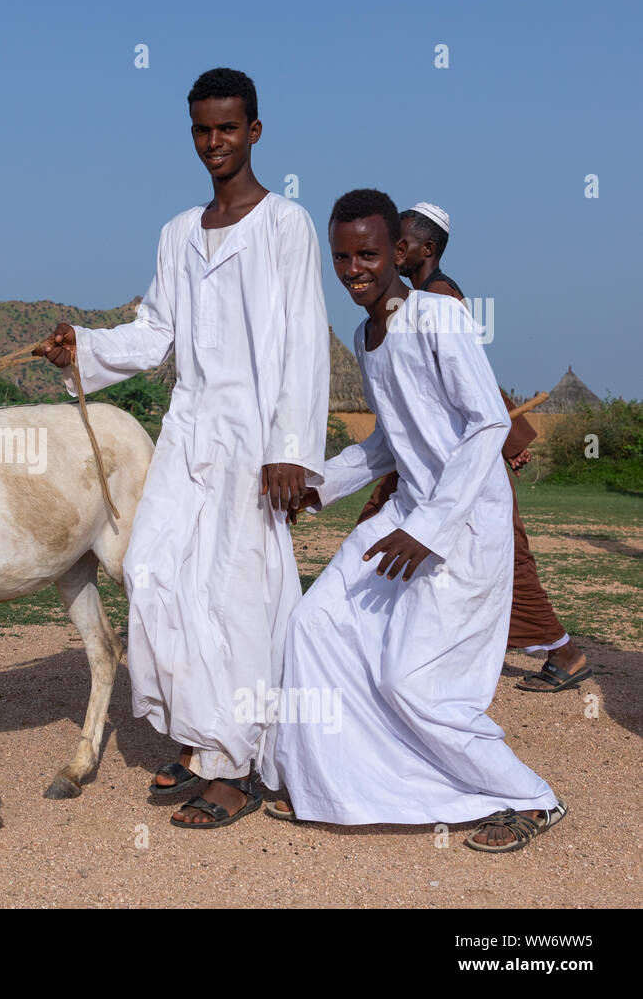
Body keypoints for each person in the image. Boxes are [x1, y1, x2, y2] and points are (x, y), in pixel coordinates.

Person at [36, 68, 328, 828]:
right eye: (202, 129)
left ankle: (237, 763)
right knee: (151, 568)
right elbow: (156, 332)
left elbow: (302, 341)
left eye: (227, 128)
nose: (214, 142)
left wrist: (291, 446)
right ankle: (205, 735)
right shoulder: (176, 234)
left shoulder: (285, 225)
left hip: (257, 437)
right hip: (191, 427)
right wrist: (83, 348)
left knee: (237, 591)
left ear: (255, 131)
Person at [269, 189, 565, 853]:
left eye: (367, 254)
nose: (353, 270)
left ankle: (531, 796)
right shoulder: (365, 335)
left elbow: (489, 419)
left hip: (461, 526)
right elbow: (387, 443)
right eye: (342, 257)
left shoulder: (438, 318)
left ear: (398, 252)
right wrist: (320, 487)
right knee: (313, 625)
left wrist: (431, 525)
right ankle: (334, 783)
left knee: (413, 680)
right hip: (406, 515)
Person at [356, 202, 590, 692]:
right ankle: (388, 640)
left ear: (426, 249)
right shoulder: (412, 301)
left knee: (505, 559)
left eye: (403, 242)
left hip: (459, 460)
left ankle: (562, 653)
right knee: (383, 535)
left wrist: (506, 441)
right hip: (423, 457)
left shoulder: (439, 297)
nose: (394, 250)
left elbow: (472, 383)